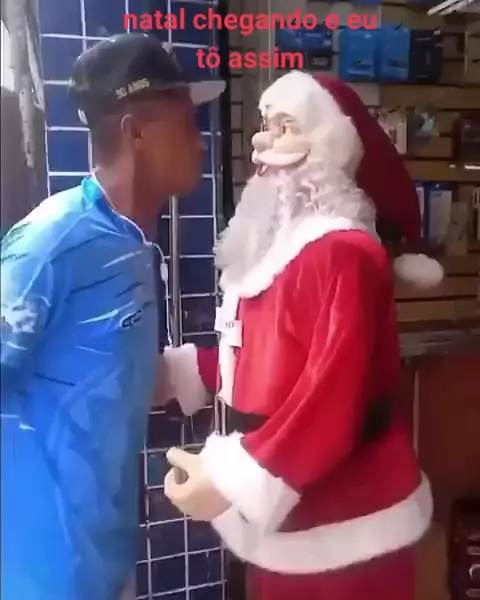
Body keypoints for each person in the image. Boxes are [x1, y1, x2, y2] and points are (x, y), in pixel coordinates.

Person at [161, 71, 444, 600]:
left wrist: (231, 480)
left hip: (347, 523)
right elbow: (272, 359)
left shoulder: (344, 255)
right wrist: (184, 371)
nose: (262, 141)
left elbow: (330, 395)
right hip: (287, 519)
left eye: (286, 127)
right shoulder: (281, 254)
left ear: (332, 145)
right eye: (265, 125)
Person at [0, 33, 224, 600]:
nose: (200, 141)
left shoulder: (132, 244)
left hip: (108, 564)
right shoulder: (51, 244)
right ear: (136, 132)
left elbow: (101, 373)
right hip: (41, 577)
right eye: (187, 123)